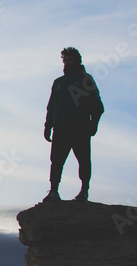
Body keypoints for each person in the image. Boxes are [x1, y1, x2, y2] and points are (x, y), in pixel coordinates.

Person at [42, 47, 104, 202]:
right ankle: (54, 191)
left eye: (71, 60)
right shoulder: (58, 83)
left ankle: (84, 191)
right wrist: (48, 126)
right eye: (66, 60)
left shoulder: (85, 80)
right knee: (56, 161)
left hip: (80, 128)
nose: (68, 63)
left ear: (78, 61)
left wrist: (93, 124)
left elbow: (97, 105)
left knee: (83, 160)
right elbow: (51, 106)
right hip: (60, 128)